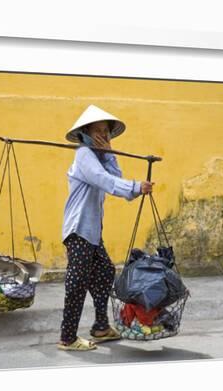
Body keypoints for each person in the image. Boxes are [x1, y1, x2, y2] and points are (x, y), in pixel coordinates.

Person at [57, 104, 154, 351]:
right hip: (78, 229)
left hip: (91, 232)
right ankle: (67, 338)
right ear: (86, 133)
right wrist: (135, 188)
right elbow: (106, 181)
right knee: (77, 282)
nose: (103, 135)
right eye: (98, 131)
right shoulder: (84, 155)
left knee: (105, 272)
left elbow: (115, 174)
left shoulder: (99, 156)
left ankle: (101, 327)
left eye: (106, 131)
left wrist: (110, 152)